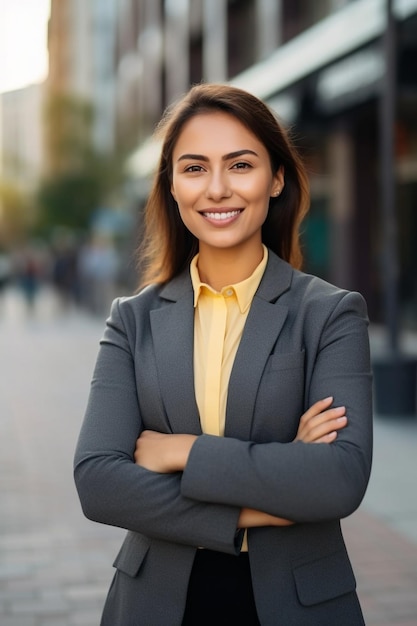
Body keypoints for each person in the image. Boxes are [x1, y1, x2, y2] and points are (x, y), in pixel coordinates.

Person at [74, 83, 372, 626]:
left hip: (299, 604)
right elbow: (98, 481)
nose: (216, 189)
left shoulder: (330, 314)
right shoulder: (132, 320)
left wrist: (182, 450)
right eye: (193, 168)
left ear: (276, 178)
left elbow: (338, 479)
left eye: (239, 165)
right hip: (156, 603)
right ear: (171, 185)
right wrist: (263, 505)